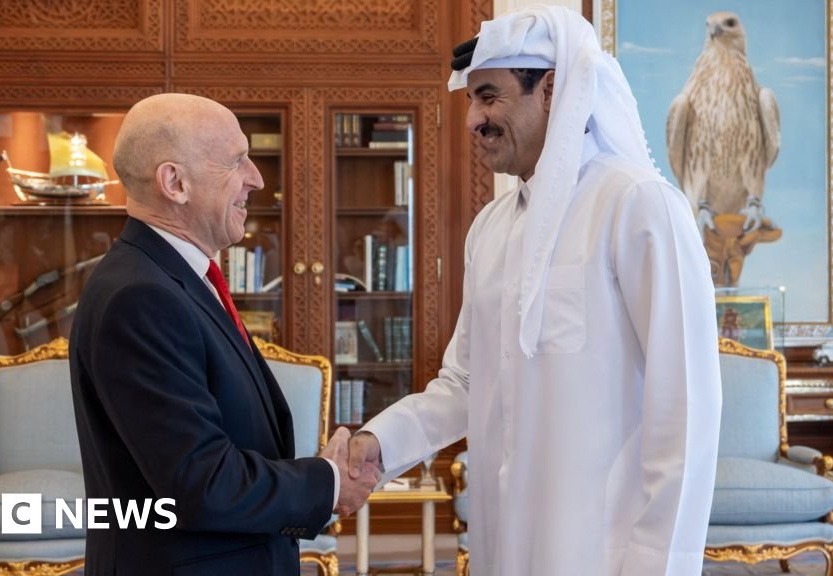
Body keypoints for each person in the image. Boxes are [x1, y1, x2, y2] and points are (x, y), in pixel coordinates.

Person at [347, 6, 722, 576]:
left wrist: (657, 563)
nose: (473, 120)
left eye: (489, 97)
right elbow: (466, 382)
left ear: (551, 90)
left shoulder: (638, 205)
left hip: (607, 553)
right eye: (470, 100)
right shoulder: (490, 228)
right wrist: (381, 441)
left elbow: (686, 405)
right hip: (505, 542)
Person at [69, 93, 380, 575]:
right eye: (237, 161)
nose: (257, 178)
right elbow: (202, 482)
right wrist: (328, 482)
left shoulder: (171, 277)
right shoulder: (141, 297)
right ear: (175, 183)